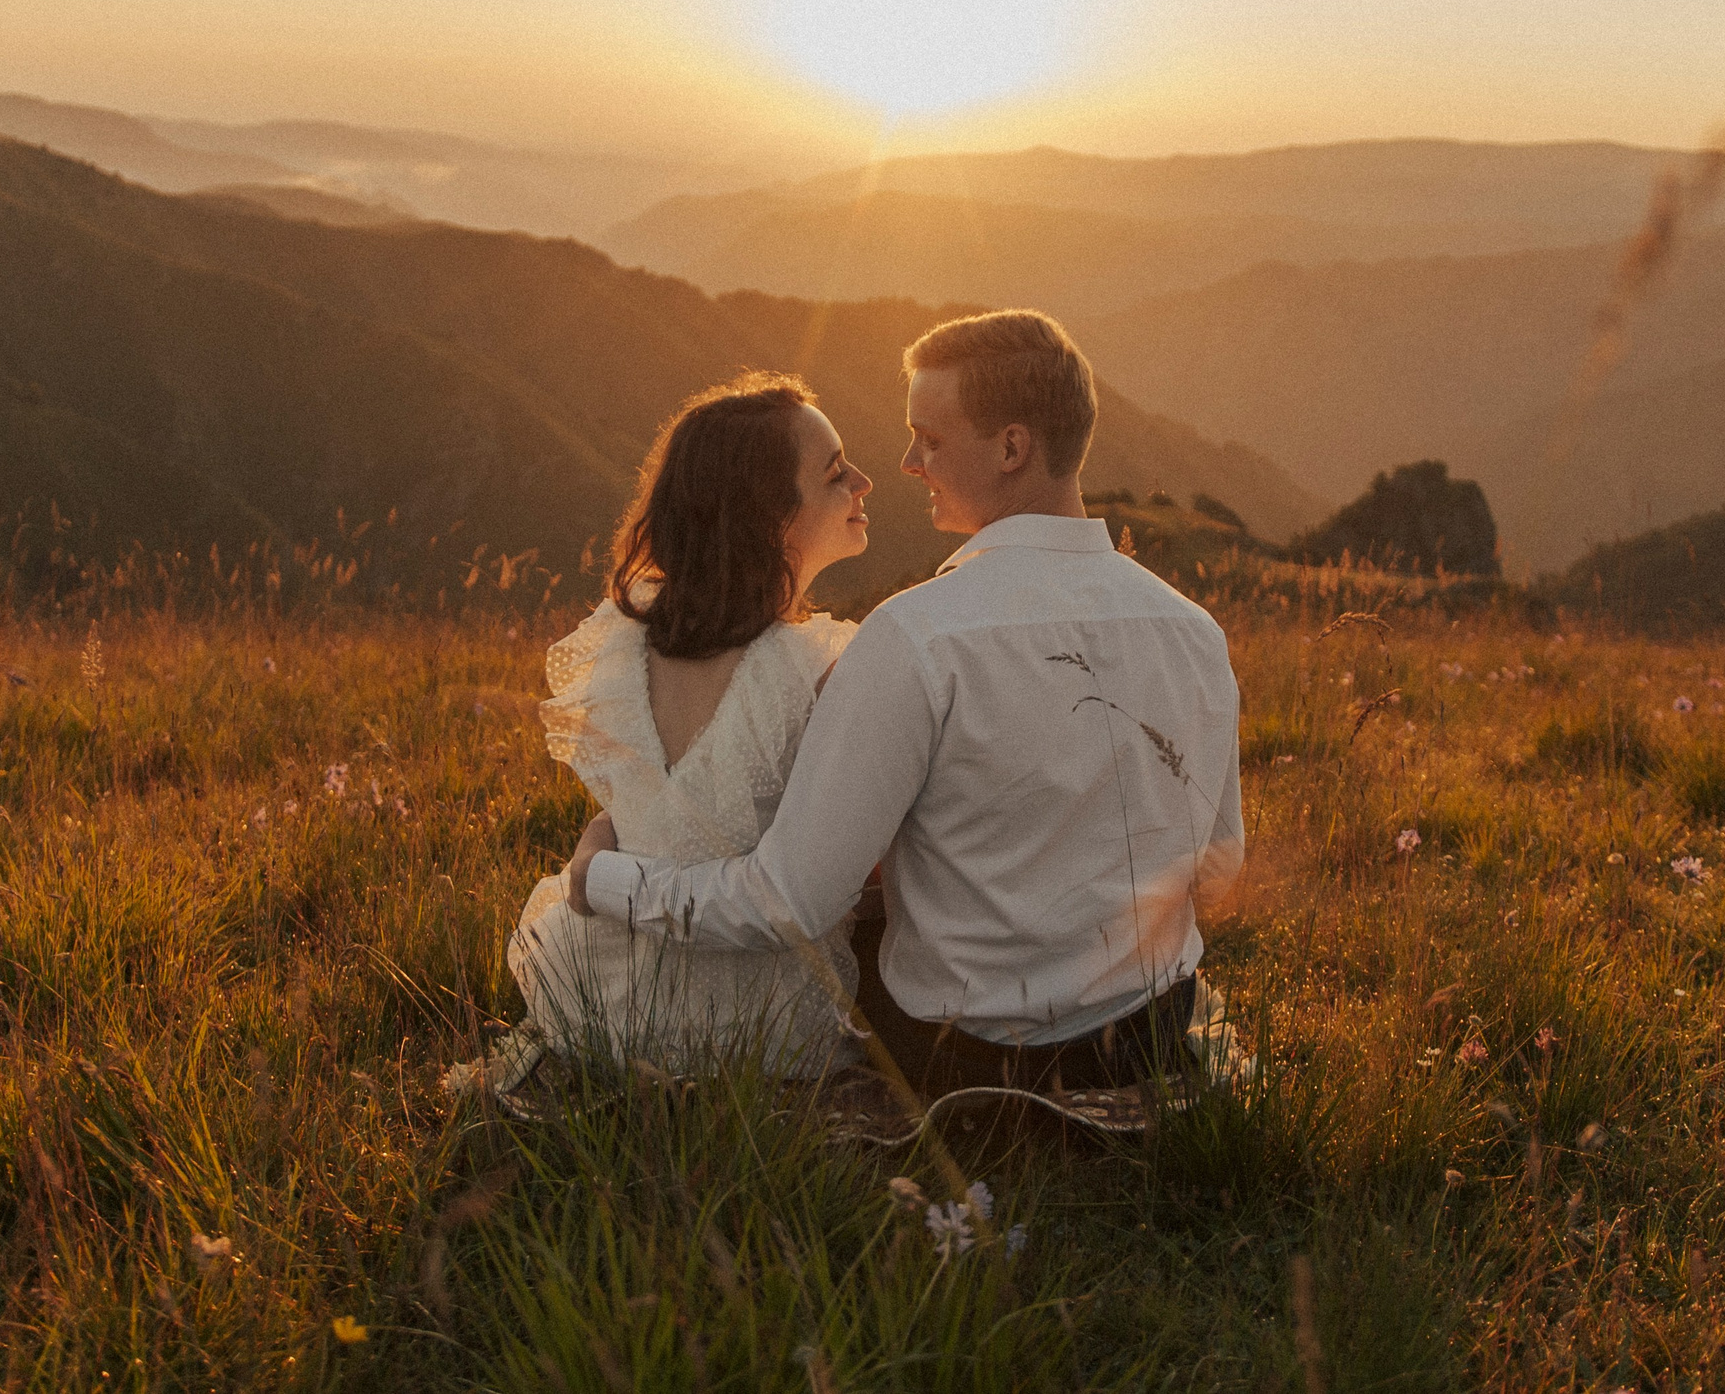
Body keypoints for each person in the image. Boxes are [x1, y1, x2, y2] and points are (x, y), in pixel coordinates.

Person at [570, 310, 1244, 1096]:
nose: (907, 462)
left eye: (928, 438)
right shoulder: (1195, 631)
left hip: (970, 1058)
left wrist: (602, 879)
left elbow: (786, 902)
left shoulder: (916, 637)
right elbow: (1221, 870)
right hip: (1150, 1034)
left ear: (1013, 448)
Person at [506, 373, 876, 1074]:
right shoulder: (821, 669)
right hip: (759, 1021)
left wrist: (600, 845)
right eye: (834, 474)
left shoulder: (623, 640)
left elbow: (641, 809)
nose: (862, 480)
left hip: (609, 994)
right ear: (771, 516)